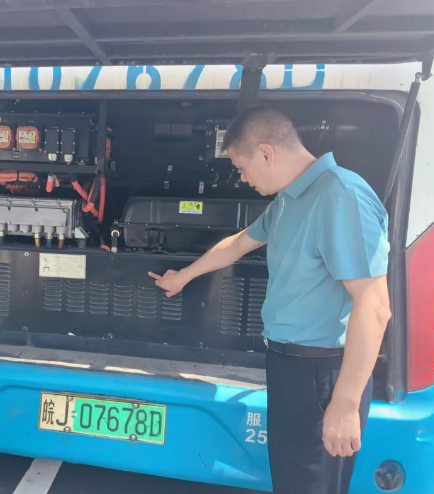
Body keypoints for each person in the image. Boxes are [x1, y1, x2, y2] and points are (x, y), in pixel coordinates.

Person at [149, 106, 391, 494]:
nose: (243, 179)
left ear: (266, 153)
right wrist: (184, 276)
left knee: (312, 484)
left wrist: (345, 404)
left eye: (242, 168)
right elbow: (238, 243)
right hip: (289, 366)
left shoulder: (341, 196)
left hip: (322, 374)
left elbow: (374, 305)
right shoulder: (289, 200)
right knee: (292, 480)